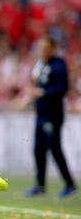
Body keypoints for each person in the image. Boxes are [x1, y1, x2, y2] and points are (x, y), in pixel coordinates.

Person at [25, 36, 77, 198]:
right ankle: (40, 185)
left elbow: (63, 88)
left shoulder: (58, 65)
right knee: (38, 149)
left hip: (52, 115)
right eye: (41, 48)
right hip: (40, 114)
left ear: (53, 49)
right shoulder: (40, 64)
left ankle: (70, 184)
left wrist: (43, 92)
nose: (43, 51)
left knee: (55, 149)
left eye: (46, 48)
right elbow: (34, 83)